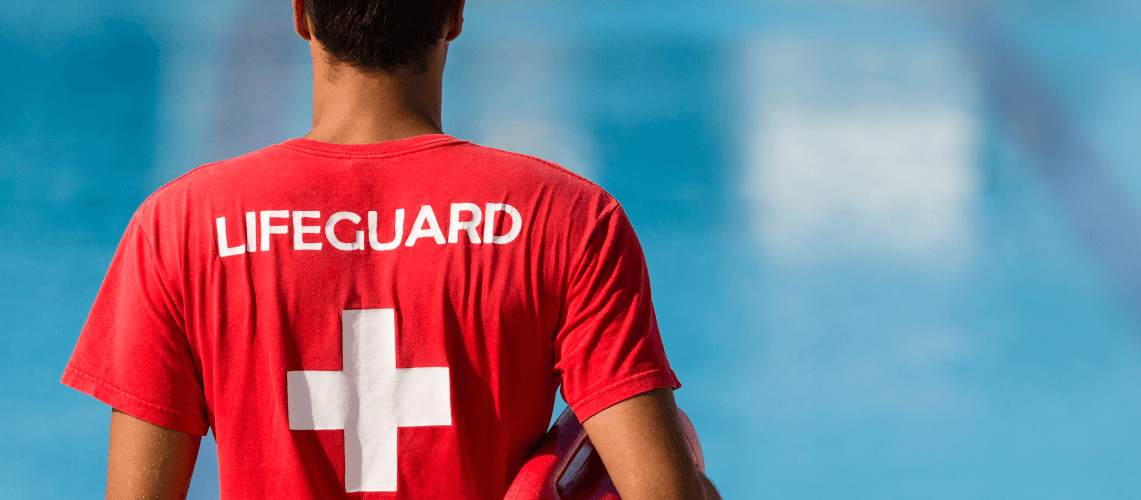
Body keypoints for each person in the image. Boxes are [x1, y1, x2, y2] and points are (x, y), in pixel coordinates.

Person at [61, 1, 715, 498]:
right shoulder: (567, 218)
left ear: (301, 16)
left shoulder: (181, 225)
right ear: (454, 15)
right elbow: (662, 491)